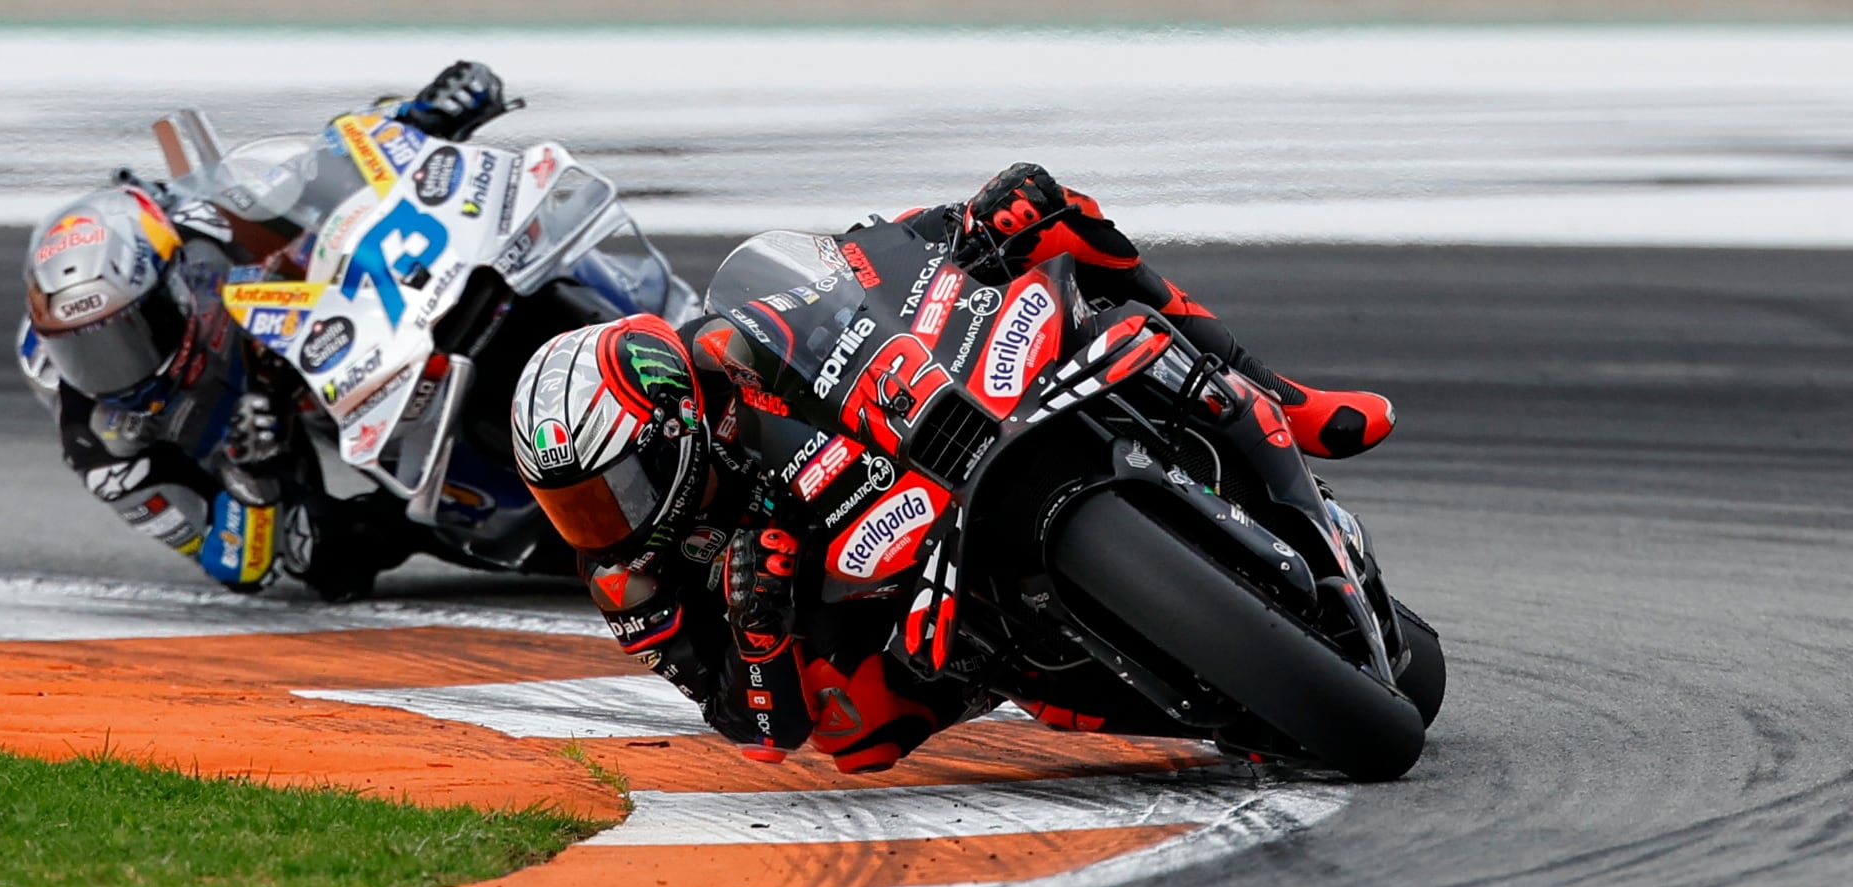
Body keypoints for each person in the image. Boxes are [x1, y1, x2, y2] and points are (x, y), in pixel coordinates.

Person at [510, 162, 1397, 771]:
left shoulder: (730, 347)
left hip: (933, 425)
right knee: (855, 739)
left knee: (1056, 216)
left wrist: (971, 223)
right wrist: (758, 627)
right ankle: (1072, 672)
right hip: (878, 597)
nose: (603, 526)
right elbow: (760, 729)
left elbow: (857, 264)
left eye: (611, 488)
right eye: (575, 506)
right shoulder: (633, 585)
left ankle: (1288, 400)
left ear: (673, 425)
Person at [17, 61, 517, 602]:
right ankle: (458, 519)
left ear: (172, 290)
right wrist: (251, 478)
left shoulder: (202, 231)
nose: (113, 371)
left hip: (345, 327)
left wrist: (422, 116)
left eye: (125, 335)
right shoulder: (102, 442)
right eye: (83, 351)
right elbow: (232, 565)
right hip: (264, 434)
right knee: (322, 560)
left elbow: (318, 168)